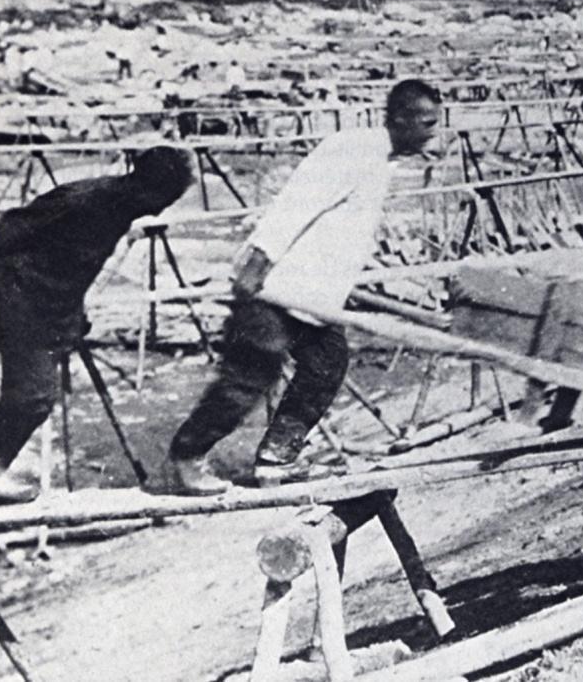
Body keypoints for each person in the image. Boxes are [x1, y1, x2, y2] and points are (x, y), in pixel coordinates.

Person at [167, 79, 442, 494]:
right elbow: (297, 203)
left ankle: (276, 459)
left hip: (311, 296)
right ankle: (188, 455)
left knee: (327, 364)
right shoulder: (354, 149)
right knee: (249, 377)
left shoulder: (382, 160)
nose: (431, 132)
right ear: (400, 118)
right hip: (274, 289)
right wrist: (258, 259)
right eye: (426, 122)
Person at [0, 146, 194, 503]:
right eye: (169, 197)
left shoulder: (123, 207)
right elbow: (11, 228)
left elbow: (76, 261)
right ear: (154, 190)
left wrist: (73, 313)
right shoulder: (88, 198)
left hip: (51, 300)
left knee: (35, 396)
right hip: (18, 291)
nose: (164, 207)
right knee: (34, 395)